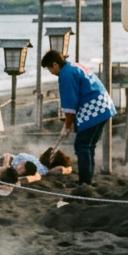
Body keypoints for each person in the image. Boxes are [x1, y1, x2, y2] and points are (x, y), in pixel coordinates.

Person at [41, 50, 116, 186]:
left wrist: (66, 126)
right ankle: (88, 179)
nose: (50, 72)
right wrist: (70, 124)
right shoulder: (74, 66)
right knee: (89, 145)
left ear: (55, 64)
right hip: (104, 105)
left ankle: (84, 182)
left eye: (49, 68)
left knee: (81, 145)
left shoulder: (66, 74)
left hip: (93, 109)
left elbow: (70, 105)